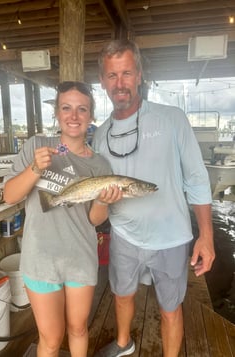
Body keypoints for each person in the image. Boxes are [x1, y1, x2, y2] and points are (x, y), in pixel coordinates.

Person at [92, 39, 215, 357]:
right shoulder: (100, 134)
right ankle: (123, 344)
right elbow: (97, 194)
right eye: (112, 76)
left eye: (127, 73)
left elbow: (197, 180)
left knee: (170, 308)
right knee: (121, 294)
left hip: (171, 236)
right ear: (103, 81)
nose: (120, 84)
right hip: (123, 234)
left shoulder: (173, 119)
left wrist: (206, 235)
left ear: (140, 75)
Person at [3, 81, 122, 357]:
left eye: (82, 109)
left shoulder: (100, 165)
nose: (74, 116)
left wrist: (103, 200)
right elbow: (10, 196)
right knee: (51, 338)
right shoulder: (37, 146)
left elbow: (93, 220)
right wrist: (34, 168)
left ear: (91, 116)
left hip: (80, 257)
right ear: (57, 113)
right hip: (40, 257)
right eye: (66, 108)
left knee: (79, 329)